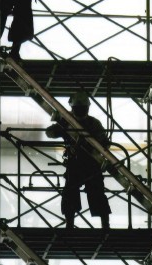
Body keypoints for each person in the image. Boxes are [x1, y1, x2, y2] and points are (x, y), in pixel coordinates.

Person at [46, 91, 112, 229]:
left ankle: (72, 224)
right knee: (79, 192)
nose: (81, 110)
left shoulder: (89, 123)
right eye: (79, 108)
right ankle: (102, 225)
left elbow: (104, 142)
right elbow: (50, 132)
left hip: (86, 162)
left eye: (82, 108)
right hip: (83, 162)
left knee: (89, 192)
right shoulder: (86, 122)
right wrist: (60, 128)